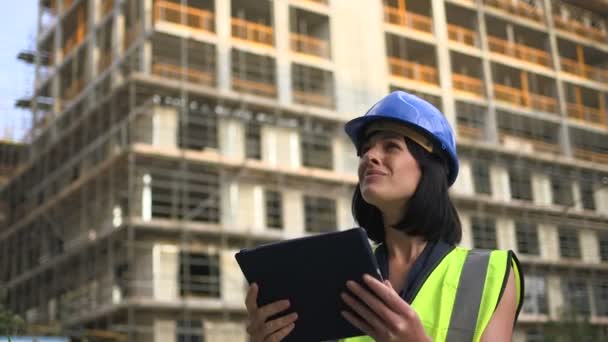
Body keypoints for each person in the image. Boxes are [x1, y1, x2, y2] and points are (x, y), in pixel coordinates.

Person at [244, 90, 524, 342]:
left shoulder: (490, 273)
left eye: (390, 146)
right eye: (365, 150)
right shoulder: (338, 277)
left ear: (430, 169)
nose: (369, 157)